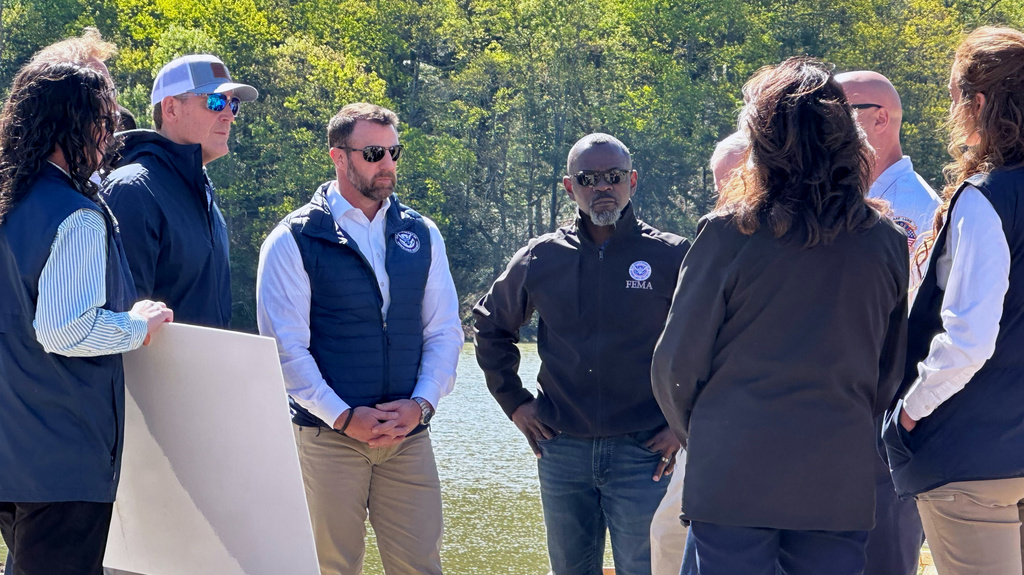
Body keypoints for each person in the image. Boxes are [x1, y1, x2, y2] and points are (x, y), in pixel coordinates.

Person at [652, 57, 909, 575]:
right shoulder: (886, 242)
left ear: (761, 142)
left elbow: (675, 366)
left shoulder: (727, 234)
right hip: (836, 476)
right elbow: (890, 372)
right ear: (847, 137)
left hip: (731, 476)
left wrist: (703, 433)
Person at [257, 103, 463, 575]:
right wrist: (344, 416)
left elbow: (445, 331)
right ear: (339, 156)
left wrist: (422, 404)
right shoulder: (292, 239)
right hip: (328, 436)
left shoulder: (422, 233)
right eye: (374, 152)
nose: (387, 164)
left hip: (409, 435)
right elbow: (285, 349)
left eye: (394, 152)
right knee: (332, 568)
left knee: (421, 567)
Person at [473, 133, 689, 575]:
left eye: (613, 177)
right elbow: (490, 326)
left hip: (645, 451)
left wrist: (682, 425)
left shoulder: (672, 256)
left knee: (645, 568)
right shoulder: (542, 257)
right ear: (570, 187)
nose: (602, 187)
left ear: (632, 181)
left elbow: (709, 346)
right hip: (561, 447)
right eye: (589, 178)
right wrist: (515, 404)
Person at [0, 60, 172, 575]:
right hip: (64, 457)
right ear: (73, 125)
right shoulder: (74, 213)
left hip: (13, 449)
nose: (110, 135)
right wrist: (137, 326)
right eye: (103, 120)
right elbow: (65, 328)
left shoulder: (10, 203)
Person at [882, 26, 1024, 575]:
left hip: (969, 455)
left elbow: (969, 337)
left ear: (980, 102)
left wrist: (910, 412)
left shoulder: (986, 197)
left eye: (953, 96)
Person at [834, 70, 935, 575]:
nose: (824, 121)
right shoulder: (856, 202)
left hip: (888, 410)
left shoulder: (912, 210)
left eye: (838, 109)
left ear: (879, 119)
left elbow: (921, 327)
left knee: (884, 558)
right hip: (849, 407)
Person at [649, 129, 748, 575]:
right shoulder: (716, 238)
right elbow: (676, 357)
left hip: (759, 434)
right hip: (705, 429)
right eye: (719, 184)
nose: (725, 196)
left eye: (737, 180)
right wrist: (687, 429)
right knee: (669, 536)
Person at [103, 54, 257, 327]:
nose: (229, 116)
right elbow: (120, 320)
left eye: (233, 105)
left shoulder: (201, 191)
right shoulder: (134, 190)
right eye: (215, 101)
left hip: (205, 369)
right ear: (171, 109)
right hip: (156, 370)